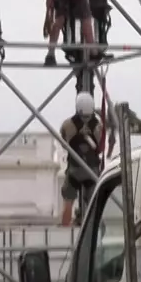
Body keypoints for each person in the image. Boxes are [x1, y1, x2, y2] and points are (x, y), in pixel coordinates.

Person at [59, 92, 104, 227]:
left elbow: (63, 142)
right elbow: (100, 147)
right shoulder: (98, 126)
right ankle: (93, 229)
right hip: (92, 170)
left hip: (74, 168)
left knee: (68, 201)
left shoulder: (68, 125)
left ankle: (65, 229)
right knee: (93, 204)